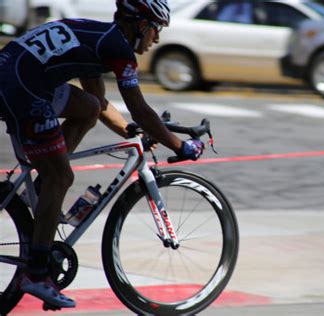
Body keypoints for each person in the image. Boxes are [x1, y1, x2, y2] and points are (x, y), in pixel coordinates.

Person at [0, 0, 204, 309]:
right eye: (156, 30)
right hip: (21, 88)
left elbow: (100, 103)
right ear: (140, 25)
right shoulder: (118, 48)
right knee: (62, 176)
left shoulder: (101, 40)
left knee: (88, 108)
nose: (157, 40)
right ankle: (37, 272)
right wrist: (180, 146)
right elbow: (140, 109)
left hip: (19, 77)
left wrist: (131, 133)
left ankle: (43, 187)